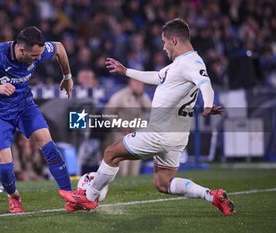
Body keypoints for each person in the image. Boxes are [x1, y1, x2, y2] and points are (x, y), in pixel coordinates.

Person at [59, 18, 235, 216]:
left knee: (111, 153)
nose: (163, 47)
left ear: (174, 40)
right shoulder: (180, 64)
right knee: (163, 183)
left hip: (160, 133)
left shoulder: (191, 62)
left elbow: (205, 83)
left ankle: (89, 197)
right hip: (177, 136)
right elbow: (157, 76)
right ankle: (212, 195)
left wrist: (208, 104)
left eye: (164, 42)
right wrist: (126, 71)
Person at [0, 26, 73, 213]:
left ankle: (71, 197)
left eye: (40, 54)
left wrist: (67, 76)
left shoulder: (37, 51)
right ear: (21, 50)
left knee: (48, 145)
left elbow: (59, 48)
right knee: (5, 165)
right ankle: (13, 197)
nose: (39, 59)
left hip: (24, 106)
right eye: (34, 56)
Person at [103, 78, 152, 176]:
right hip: (121, 133)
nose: (139, 85)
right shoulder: (120, 95)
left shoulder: (143, 96)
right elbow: (106, 113)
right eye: (136, 82)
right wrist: (120, 125)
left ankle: (131, 187)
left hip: (137, 134)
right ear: (130, 82)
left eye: (140, 82)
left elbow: (150, 109)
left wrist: (141, 95)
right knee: (123, 166)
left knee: (134, 167)